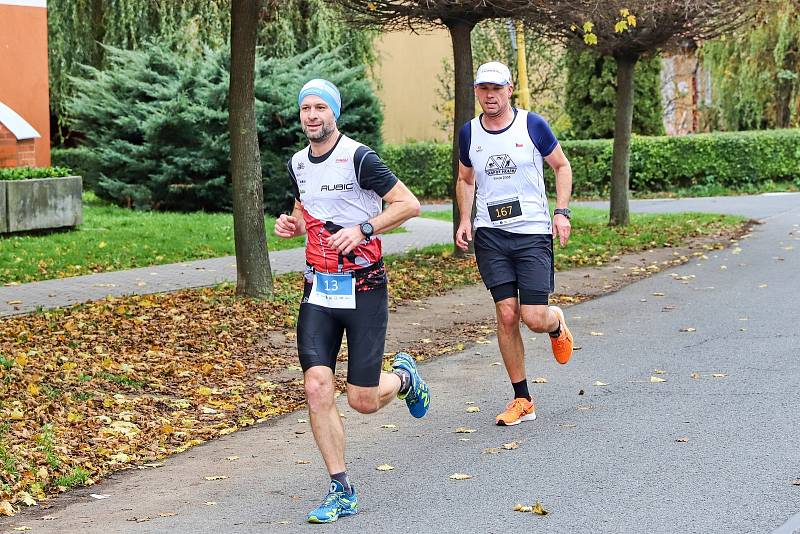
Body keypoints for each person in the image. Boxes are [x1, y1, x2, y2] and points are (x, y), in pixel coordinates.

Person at [274, 78, 430, 524]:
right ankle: (341, 488)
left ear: (334, 113)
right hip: (318, 290)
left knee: (361, 399)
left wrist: (365, 229)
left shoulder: (358, 157)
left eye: (320, 107)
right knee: (316, 386)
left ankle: (403, 378)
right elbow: (307, 206)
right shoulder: (298, 163)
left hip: (364, 289)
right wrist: (295, 224)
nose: (312, 116)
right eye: (305, 108)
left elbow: (409, 204)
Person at [454, 61, 575, 427]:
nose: (490, 96)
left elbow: (562, 166)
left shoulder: (532, 125)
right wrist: (464, 219)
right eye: (483, 89)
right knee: (506, 313)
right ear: (477, 91)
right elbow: (465, 177)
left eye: (497, 88)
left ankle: (556, 325)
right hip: (491, 234)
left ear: (510, 89)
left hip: (533, 232)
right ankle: (522, 399)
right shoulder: (468, 133)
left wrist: (562, 212)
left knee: (532, 317)